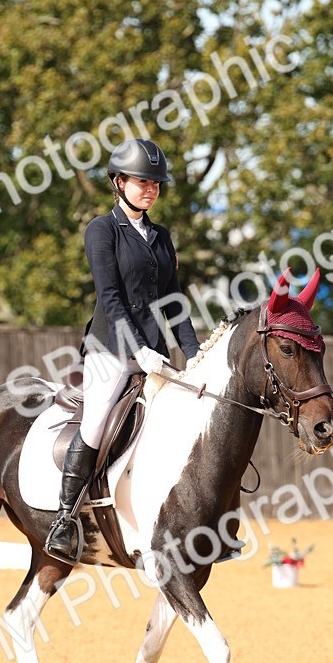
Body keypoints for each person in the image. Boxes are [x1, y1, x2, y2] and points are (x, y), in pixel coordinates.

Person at [45, 137, 201, 563]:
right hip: (110, 350)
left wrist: (196, 355)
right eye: (141, 181)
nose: (150, 189)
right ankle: (64, 518)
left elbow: (175, 303)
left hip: (155, 353)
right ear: (118, 182)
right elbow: (110, 298)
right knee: (96, 421)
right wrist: (140, 351)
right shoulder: (102, 230)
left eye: (155, 183)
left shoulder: (161, 237)